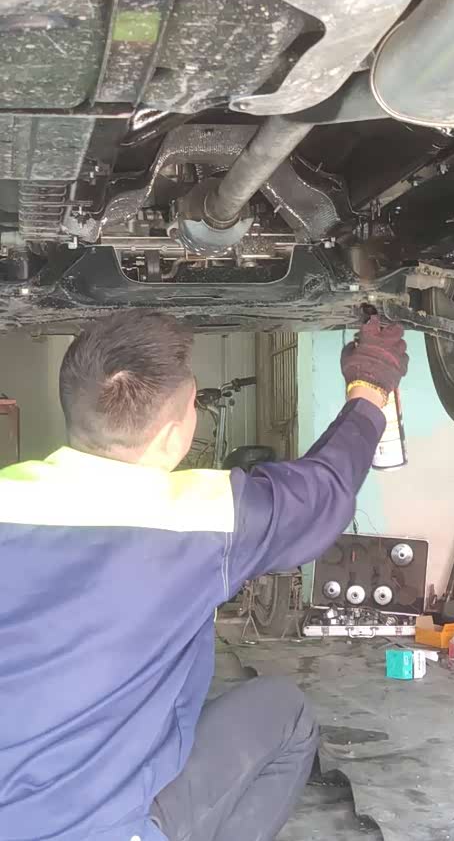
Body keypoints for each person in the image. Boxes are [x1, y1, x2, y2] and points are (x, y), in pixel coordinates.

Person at [0, 311, 408, 841]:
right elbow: (322, 489)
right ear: (174, 432)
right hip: (102, 830)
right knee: (285, 714)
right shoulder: (197, 517)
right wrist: (371, 384)